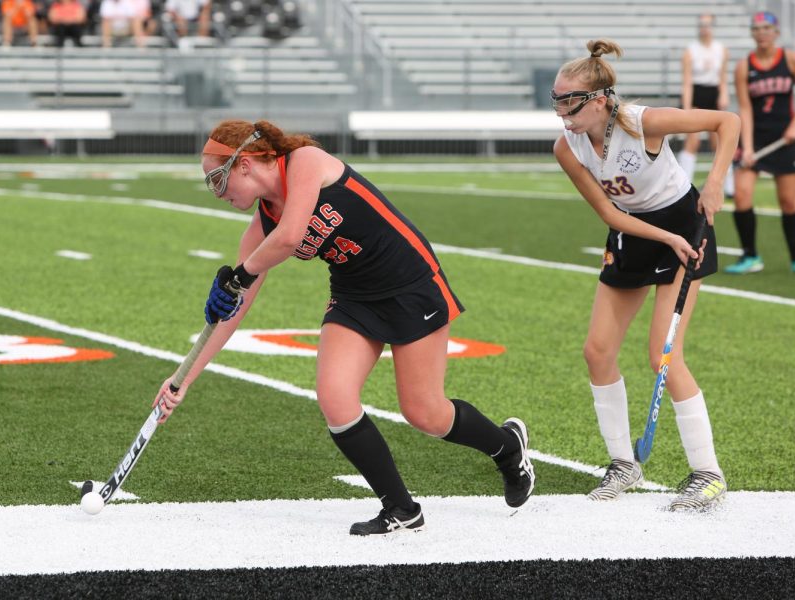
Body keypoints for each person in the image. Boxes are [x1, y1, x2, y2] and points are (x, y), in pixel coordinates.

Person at [151, 119, 535, 535]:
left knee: (425, 413)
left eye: (217, 180)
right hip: (354, 295)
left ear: (244, 164)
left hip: (409, 283)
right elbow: (236, 309)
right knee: (335, 398)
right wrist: (184, 376)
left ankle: (507, 448)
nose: (217, 193)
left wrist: (240, 274)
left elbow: (292, 236)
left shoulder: (305, 161)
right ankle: (402, 509)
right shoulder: (262, 222)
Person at [551, 39, 739, 511]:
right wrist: (659, 239)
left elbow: (726, 122)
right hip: (635, 231)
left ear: (598, 100)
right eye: (555, 101)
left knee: (663, 355)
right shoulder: (566, 146)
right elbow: (608, 213)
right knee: (596, 351)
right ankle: (623, 464)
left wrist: (714, 182)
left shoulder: (643, 122)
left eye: (568, 102)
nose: (560, 112)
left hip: (683, 222)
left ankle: (708, 473)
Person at [725, 11, 795, 275]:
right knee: (741, 196)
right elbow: (745, 108)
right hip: (755, 139)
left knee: (788, 200)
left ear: (776, 32)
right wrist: (749, 146)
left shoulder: (791, 60)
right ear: (752, 33)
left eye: (767, 28)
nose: (762, 32)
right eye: (757, 28)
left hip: (786, 138)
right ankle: (750, 256)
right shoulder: (744, 66)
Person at [677, 13, 734, 197]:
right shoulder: (690, 51)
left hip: (713, 95)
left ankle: (728, 186)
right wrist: (687, 109)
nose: (704, 28)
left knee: (718, 142)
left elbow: (723, 78)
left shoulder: (721, 50)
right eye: (701, 24)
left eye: (708, 25)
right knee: (692, 141)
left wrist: (724, 95)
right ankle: (683, 187)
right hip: (696, 94)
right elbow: (687, 82)